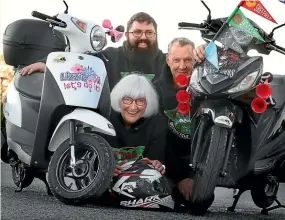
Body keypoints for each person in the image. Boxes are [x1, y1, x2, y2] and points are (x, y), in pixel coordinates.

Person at [19, 12, 206, 90]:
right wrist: (46, 63)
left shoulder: (167, 61)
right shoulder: (110, 57)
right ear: (126, 34)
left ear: (156, 35)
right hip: (114, 133)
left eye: (149, 32)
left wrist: (204, 51)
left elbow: (189, 63)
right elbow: (78, 58)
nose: (143, 37)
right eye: (137, 32)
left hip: (154, 134)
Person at [154, 37, 205, 204]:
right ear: (168, 60)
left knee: (201, 201)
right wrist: (181, 176)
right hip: (168, 160)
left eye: (188, 60)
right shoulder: (155, 90)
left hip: (198, 161)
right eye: (176, 60)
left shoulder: (205, 86)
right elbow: (157, 138)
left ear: (196, 60)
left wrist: (210, 49)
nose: (182, 66)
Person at [107, 73, 167, 176]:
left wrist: (157, 165)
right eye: (127, 100)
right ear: (118, 99)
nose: (133, 107)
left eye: (140, 101)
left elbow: (155, 162)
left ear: (148, 103)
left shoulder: (157, 125)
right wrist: (106, 167)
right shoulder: (105, 120)